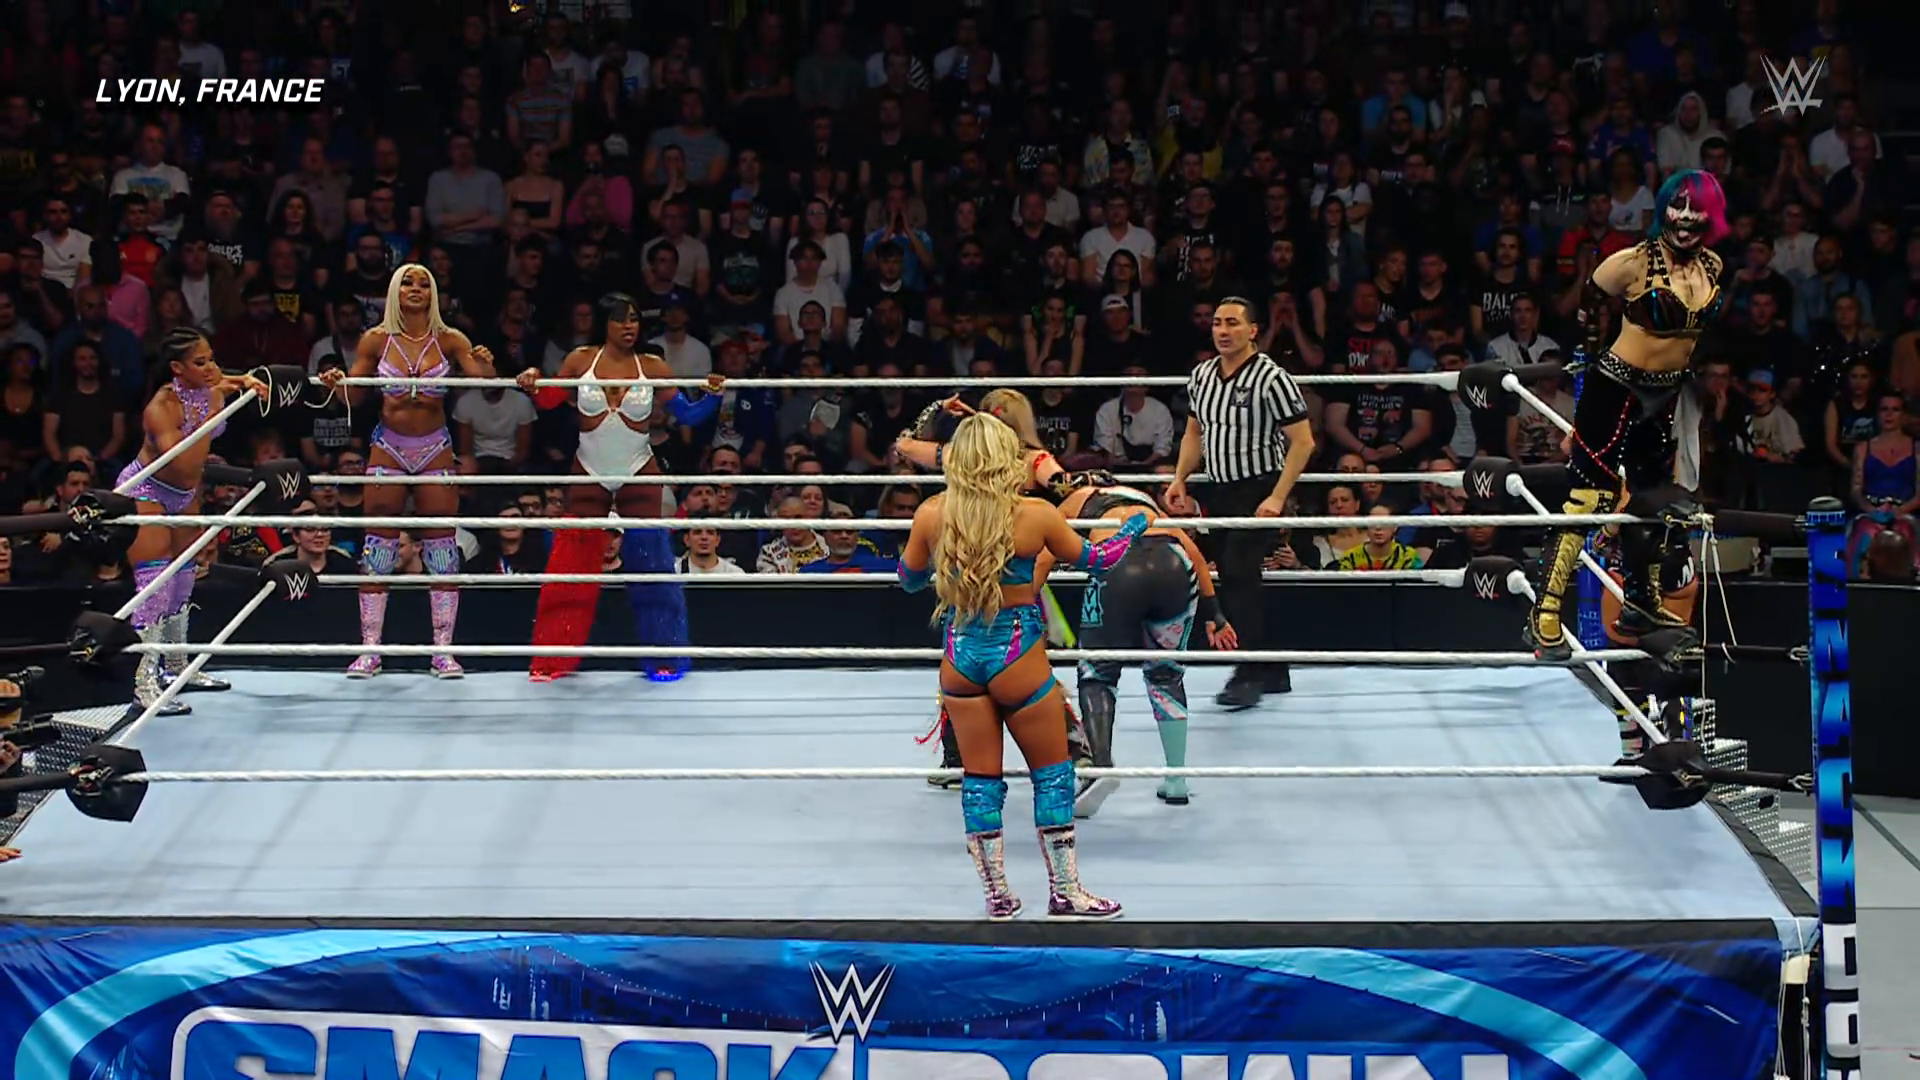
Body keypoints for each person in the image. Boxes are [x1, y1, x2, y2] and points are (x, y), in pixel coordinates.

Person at [896, 413, 1148, 920]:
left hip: (961, 660)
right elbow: (1099, 559)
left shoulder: (932, 513)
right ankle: (1066, 891)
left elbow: (908, 579)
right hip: (1018, 656)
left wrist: (951, 564)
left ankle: (998, 896)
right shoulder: (1034, 515)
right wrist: (1135, 525)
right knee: (1052, 776)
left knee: (979, 780)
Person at [1525, 170, 1729, 659]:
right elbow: (1589, 301)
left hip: (1666, 394)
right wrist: (1590, 354)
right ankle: (1544, 611)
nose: (1685, 218)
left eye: (1696, 208)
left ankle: (1641, 600)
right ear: (1663, 209)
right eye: (1678, 206)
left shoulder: (1714, 265)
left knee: (1653, 499)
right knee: (1590, 499)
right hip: (1615, 388)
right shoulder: (1633, 263)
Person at [515, 292, 723, 682]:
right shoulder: (581, 360)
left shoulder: (653, 366)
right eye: (620, 318)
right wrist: (531, 382)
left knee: (652, 566)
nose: (629, 326)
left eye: (634, 319)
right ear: (604, 322)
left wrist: (714, 396)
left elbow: (688, 415)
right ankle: (553, 659)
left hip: (638, 468)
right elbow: (549, 400)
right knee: (571, 568)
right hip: (589, 468)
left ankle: (664, 659)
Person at [896, 389, 1100, 784]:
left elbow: (903, 444)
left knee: (977, 660)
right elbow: (1063, 486)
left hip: (993, 575)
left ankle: (1066, 752)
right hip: (1008, 573)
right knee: (1011, 667)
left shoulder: (977, 457)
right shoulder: (1007, 457)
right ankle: (1059, 755)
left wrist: (936, 412)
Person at [317, 264, 497, 679]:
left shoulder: (450, 339)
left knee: (442, 550)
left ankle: (443, 653)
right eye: (408, 283)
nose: (416, 289)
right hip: (389, 448)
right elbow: (355, 395)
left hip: (434, 448)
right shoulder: (376, 339)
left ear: (433, 294)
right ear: (395, 291)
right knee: (377, 549)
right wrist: (336, 382)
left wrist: (486, 365)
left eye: (424, 284)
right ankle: (370, 651)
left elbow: (482, 381)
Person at [1166, 296, 1315, 709]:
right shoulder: (1202, 376)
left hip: (1260, 487)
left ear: (1252, 331)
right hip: (1219, 490)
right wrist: (1180, 478)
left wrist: (1277, 497)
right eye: (1217, 322)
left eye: (1232, 323)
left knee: (1236, 572)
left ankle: (1250, 670)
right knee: (1238, 578)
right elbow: (1193, 433)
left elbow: (1303, 442)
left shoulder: (1272, 377)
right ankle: (1272, 668)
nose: (1223, 330)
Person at [1061, 480, 1237, 816]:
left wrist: (1025, 601)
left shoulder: (1074, 500)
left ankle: (1100, 768)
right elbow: (1196, 556)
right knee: (1166, 674)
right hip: (1174, 565)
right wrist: (1215, 614)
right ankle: (1176, 779)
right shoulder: (1144, 504)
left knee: (1097, 673)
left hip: (1117, 563)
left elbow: (1042, 554)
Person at [118, 328, 268, 713]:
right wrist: (214, 409)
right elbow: (182, 463)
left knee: (184, 578)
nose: (210, 367)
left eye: (211, 358)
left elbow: (230, 380)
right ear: (177, 368)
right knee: (156, 584)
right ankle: (144, 683)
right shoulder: (161, 408)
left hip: (184, 496)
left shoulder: (209, 387)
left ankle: (177, 668)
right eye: (200, 362)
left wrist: (246, 381)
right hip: (147, 491)